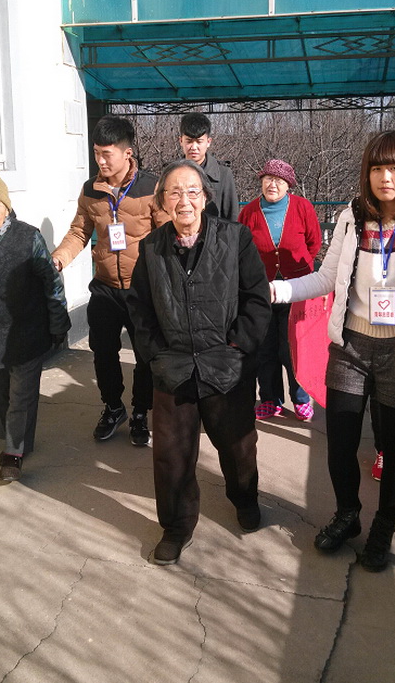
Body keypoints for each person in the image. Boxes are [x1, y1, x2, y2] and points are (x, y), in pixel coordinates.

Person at [271, 130, 395, 572]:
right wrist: (277, 290)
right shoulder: (352, 216)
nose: (385, 177)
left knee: (394, 448)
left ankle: (384, 526)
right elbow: (326, 277)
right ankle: (348, 514)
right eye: (376, 168)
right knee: (340, 441)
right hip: (351, 346)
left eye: (394, 168)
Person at [128, 159, 271, 565]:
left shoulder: (235, 238)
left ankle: (245, 498)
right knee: (171, 455)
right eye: (174, 192)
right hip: (173, 367)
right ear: (162, 201)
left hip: (225, 363)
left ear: (206, 197)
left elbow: (257, 298)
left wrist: (239, 347)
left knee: (238, 446)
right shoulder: (152, 248)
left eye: (192, 191)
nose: (184, 200)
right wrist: (155, 354)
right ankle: (176, 527)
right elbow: (139, 309)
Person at [52, 115, 167, 446]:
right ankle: (114, 407)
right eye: (96, 153)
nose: (100, 161)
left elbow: (166, 234)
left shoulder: (151, 187)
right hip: (104, 287)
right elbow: (79, 231)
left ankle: (141, 411)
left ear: (127, 152)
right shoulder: (91, 190)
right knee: (102, 351)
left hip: (142, 289)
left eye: (107, 154)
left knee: (144, 356)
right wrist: (59, 258)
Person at [0, 171, 71, 481]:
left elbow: (51, 282)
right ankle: (15, 441)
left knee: (22, 396)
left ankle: (14, 452)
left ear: (7, 206)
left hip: (25, 333)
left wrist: (58, 323)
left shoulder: (28, 237)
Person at [239, 159, 322, 421]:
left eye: (278, 180)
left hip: (296, 290)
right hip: (261, 291)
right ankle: (269, 399)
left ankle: (301, 398)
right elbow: (242, 249)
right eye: (268, 179)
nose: (272, 184)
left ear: (288, 185)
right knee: (266, 348)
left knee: (294, 348)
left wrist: (298, 272)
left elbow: (314, 243)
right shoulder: (249, 212)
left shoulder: (302, 207)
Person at [179, 113, 239, 221]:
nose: (194, 147)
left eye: (199, 141)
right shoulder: (171, 173)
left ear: (208, 142)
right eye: (189, 141)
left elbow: (232, 216)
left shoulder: (223, 174)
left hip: (215, 231)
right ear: (181, 141)